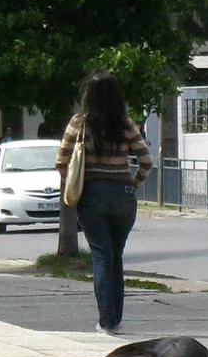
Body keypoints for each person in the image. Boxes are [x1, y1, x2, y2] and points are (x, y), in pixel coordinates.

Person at [56, 69, 153, 335]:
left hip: (92, 195)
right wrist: (133, 184)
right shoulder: (126, 124)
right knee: (116, 257)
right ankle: (116, 319)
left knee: (101, 256)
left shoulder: (79, 123)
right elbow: (146, 161)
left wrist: (71, 187)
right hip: (122, 195)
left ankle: (107, 321)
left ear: (90, 94)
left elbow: (61, 161)